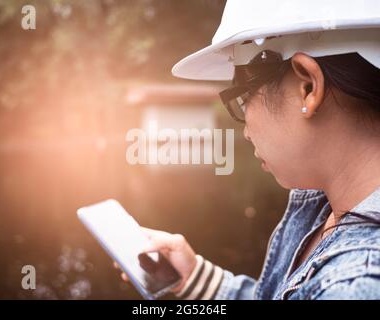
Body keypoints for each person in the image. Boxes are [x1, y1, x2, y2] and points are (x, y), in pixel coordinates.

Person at [115, 0, 380, 299]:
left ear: (307, 86)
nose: (245, 131)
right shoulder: (328, 204)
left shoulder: (354, 287)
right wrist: (198, 280)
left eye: (242, 98)